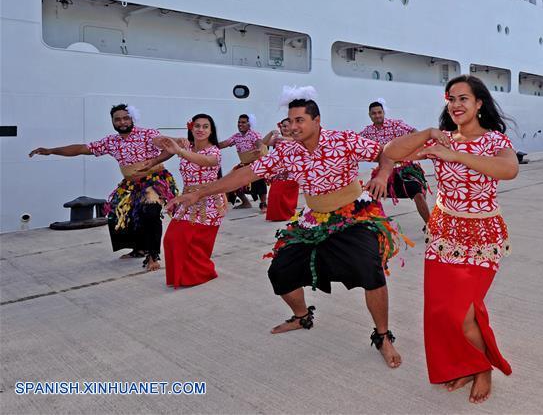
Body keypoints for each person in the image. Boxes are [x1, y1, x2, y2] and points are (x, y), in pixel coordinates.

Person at [167, 86, 409, 367]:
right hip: (313, 218)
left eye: (299, 121)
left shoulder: (343, 140)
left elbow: (387, 153)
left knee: (371, 271)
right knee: (280, 271)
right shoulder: (287, 152)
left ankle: (382, 336)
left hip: (352, 215)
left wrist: (383, 175)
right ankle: (302, 316)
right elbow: (247, 173)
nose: (292, 126)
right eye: (290, 121)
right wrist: (199, 193)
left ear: (317, 121)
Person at [383, 75, 518, 404]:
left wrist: (459, 156)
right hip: (444, 233)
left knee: (464, 312)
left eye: (464, 99)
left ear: (479, 104)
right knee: (441, 311)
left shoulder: (493, 140)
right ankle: (463, 364)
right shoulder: (441, 141)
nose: (456, 105)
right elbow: (391, 151)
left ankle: (482, 367)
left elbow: (509, 169)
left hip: (483, 235)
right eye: (451, 99)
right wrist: (430, 135)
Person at [29, 104, 177, 271]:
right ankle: (139, 248)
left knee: (150, 212)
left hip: (154, 180)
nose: (122, 122)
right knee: (118, 213)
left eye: (125, 118)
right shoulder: (110, 141)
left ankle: (153, 255)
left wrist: (164, 153)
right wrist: (51, 151)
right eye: (117, 119)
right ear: (112, 121)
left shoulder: (148, 134)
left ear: (132, 119)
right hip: (131, 184)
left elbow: (167, 145)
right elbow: (81, 149)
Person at [150, 114, 225, 288]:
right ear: (191, 128)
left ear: (211, 130)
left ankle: (201, 273)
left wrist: (181, 151)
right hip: (187, 199)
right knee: (172, 239)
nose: (200, 129)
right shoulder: (186, 146)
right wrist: (154, 160)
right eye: (197, 126)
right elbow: (160, 143)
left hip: (209, 201)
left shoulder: (214, 151)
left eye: (205, 126)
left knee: (197, 242)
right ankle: (186, 275)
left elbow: (206, 162)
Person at [360, 101, 431, 224]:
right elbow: (356, 144)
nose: (377, 115)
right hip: (385, 172)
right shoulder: (367, 132)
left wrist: (415, 146)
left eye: (379, 112)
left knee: (418, 193)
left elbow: (414, 132)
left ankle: (430, 225)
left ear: (383, 112)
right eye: (374, 113)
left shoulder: (396, 124)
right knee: (370, 194)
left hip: (405, 168)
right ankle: (377, 226)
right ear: (369, 115)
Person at [219, 114, 267, 210]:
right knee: (233, 182)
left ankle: (263, 204)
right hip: (244, 164)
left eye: (243, 122)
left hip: (255, 163)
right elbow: (224, 143)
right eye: (239, 122)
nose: (240, 124)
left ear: (249, 124)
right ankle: (246, 203)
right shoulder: (236, 137)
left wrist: (259, 148)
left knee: (259, 182)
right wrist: (210, 145)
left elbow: (260, 143)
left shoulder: (254, 134)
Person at [262, 119, 300, 222]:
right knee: (275, 193)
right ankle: (276, 215)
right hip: (278, 171)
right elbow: (264, 142)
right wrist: (271, 133)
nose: (285, 128)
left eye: (288, 126)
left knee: (288, 195)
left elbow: (294, 141)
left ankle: (288, 214)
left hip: (291, 171)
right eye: (283, 126)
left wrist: (281, 138)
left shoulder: (296, 139)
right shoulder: (277, 140)